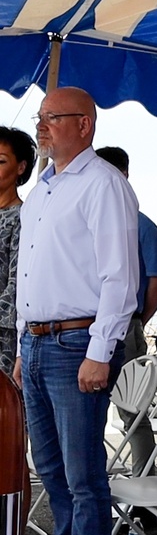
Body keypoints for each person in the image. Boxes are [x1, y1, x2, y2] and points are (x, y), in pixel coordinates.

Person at [13, 87, 139, 535]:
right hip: (37, 344)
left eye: (53, 117)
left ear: (84, 125)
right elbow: (27, 272)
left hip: (76, 345)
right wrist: (22, 344)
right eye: (40, 117)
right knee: (48, 467)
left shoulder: (104, 184)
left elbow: (120, 279)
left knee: (83, 476)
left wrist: (100, 352)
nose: (41, 125)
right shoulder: (44, 189)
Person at [94, 145, 157, 527]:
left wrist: (137, 318)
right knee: (89, 415)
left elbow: (156, 282)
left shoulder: (142, 224)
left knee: (133, 417)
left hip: (127, 329)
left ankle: (146, 496)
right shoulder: (91, 222)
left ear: (122, 175)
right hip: (87, 330)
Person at [0, 127, 35, 377]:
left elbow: (17, 283)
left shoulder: (23, 218)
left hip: (5, 336)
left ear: (20, 168)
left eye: (0, 161)